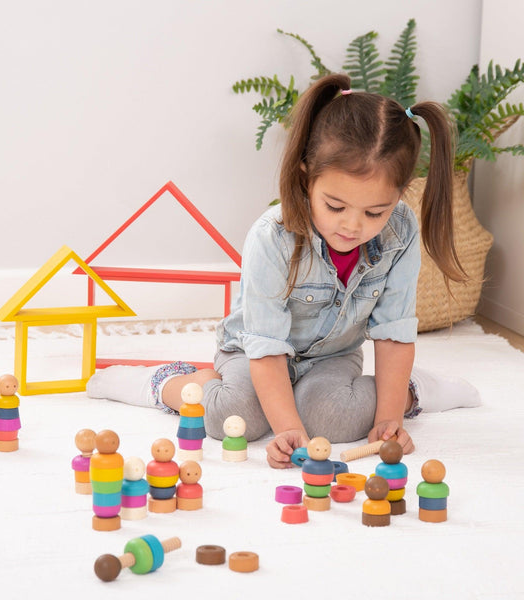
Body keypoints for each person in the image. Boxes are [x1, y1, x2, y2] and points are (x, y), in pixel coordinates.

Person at [87, 73, 481, 469]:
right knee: (233, 417)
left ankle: (415, 391)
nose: (352, 226)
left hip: (332, 355)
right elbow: (266, 345)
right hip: (254, 350)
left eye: (375, 212)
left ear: (399, 195)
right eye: (335, 206)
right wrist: (288, 429)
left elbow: (393, 333)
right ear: (306, 177)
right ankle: (162, 382)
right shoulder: (271, 236)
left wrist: (389, 418)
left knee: (330, 418)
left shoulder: (401, 230)